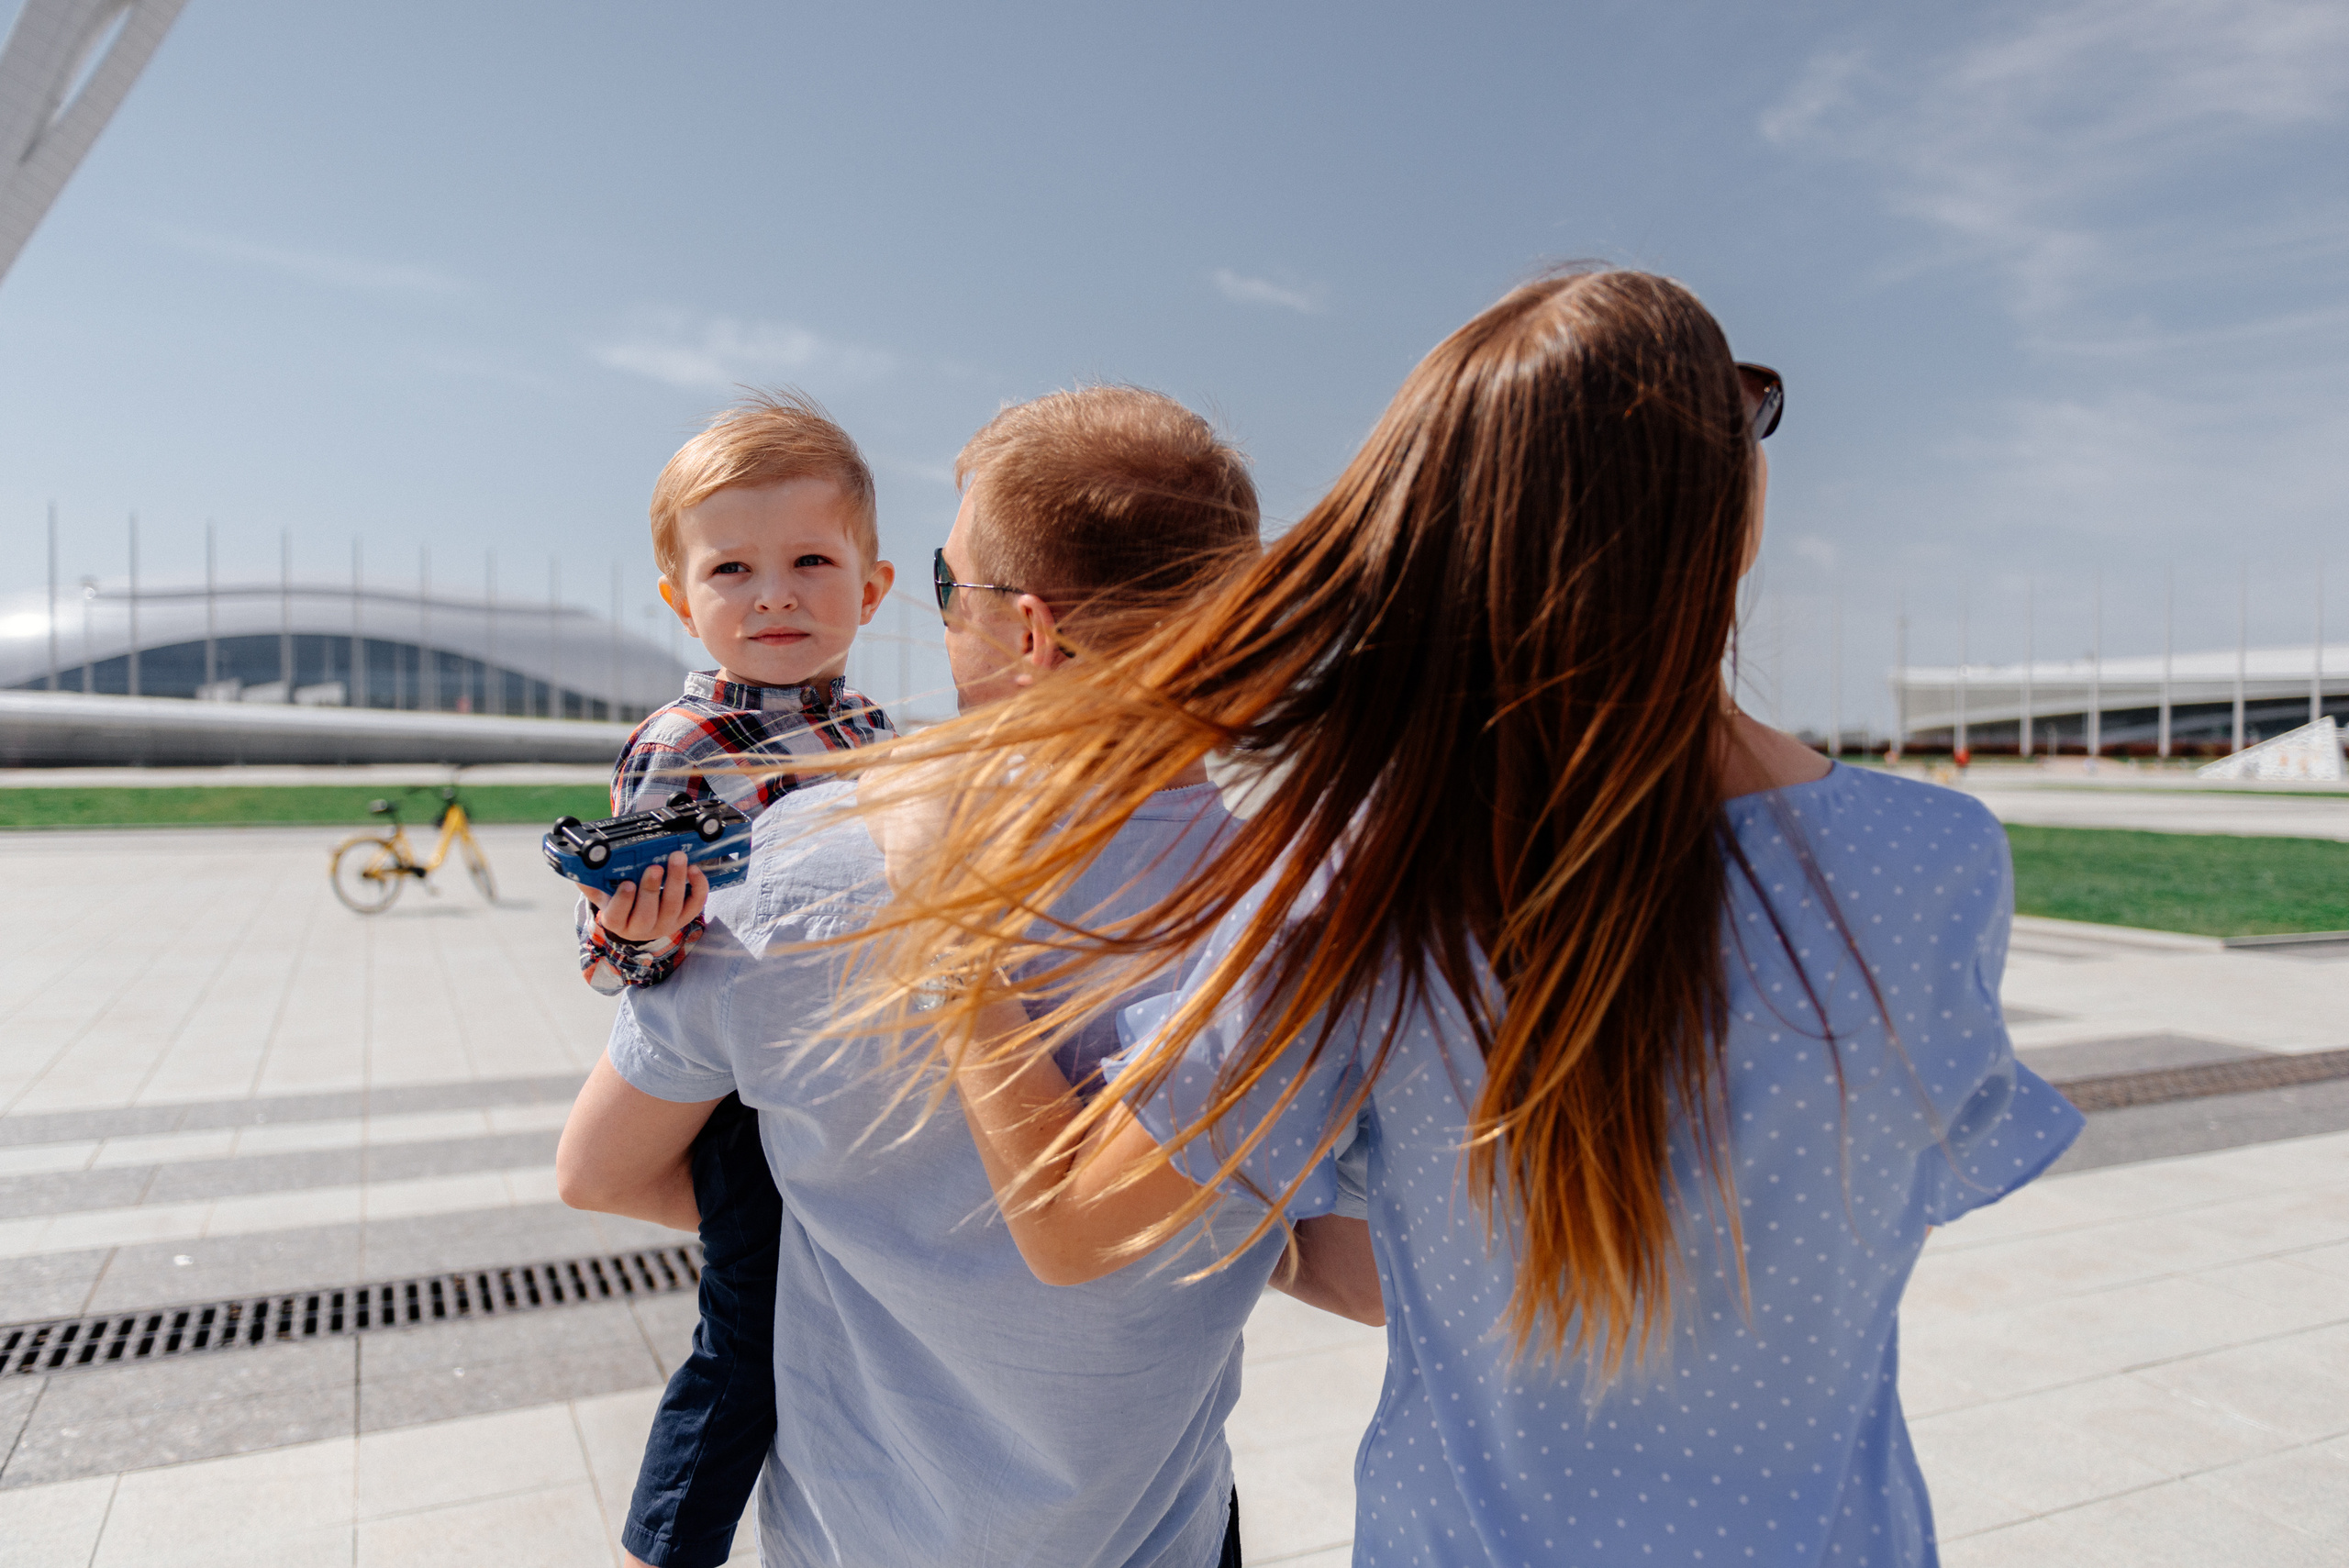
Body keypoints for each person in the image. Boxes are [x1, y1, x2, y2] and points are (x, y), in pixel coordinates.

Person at [862, 270, 2087, 1567]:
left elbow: (1078, 1226)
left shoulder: (1369, 882)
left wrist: (946, 924)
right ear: (1722, 512)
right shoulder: (1937, 862)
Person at [556, 385, 1383, 1568]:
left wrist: (858, 1225)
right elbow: (1361, 1269)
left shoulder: (800, 869)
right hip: (1163, 1534)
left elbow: (596, 1169)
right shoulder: (1313, 909)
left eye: (948, 589)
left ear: (1030, 632)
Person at [575, 388, 896, 1568]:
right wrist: (637, 930)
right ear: (681, 597)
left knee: (844, 1323)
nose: (773, 595)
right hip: (739, 1092)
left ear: (872, 586)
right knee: (748, 1336)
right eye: (731, 570)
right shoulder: (681, 743)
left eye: (811, 560)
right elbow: (610, 955)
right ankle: (664, 1547)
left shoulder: (877, 729)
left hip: (855, 1065)